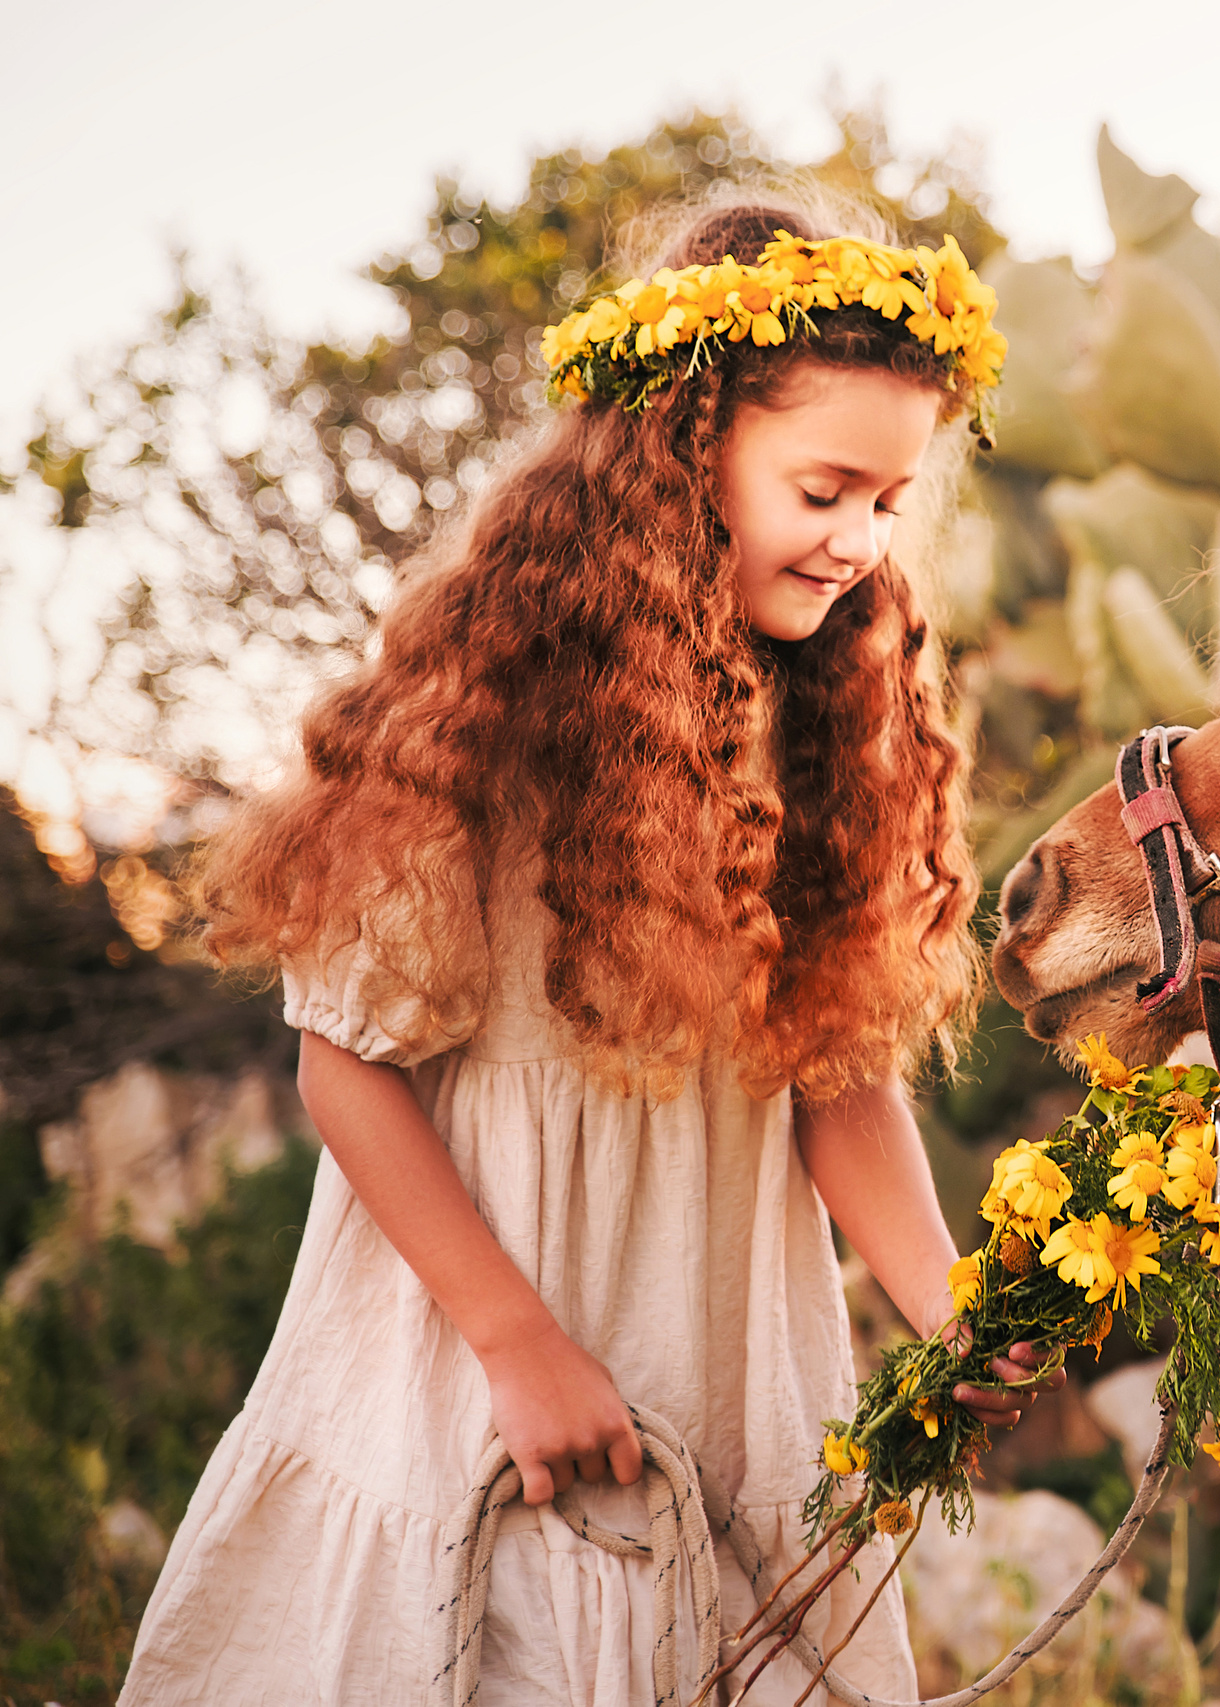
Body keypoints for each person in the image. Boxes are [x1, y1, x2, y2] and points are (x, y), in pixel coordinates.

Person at [123, 197, 1042, 1704]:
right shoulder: (484, 731)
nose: (861, 545)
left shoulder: (828, 739)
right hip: (478, 1365)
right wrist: (517, 1344)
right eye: (826, 489)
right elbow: (347, 1072)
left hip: (724, 1369)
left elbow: (839, 1087)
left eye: (891, 502)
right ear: (687, 453)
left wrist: (952, 1307)